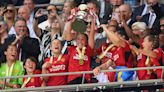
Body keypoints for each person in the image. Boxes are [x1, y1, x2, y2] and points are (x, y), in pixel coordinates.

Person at [65, 13, 96, 84]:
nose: (80, 41)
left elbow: (91, 34)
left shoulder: (88, 50)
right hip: (73, 79)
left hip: (85, 79)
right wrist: (71, 17)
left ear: (86, 42)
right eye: (78, 39)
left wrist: (93, 20)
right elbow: (68, 34)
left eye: (82, 39)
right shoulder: (72, 49)